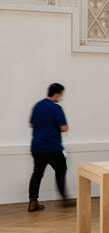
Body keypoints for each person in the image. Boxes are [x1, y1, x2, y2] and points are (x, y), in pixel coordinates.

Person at [28, 83, 70, 212]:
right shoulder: (56, 108)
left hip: (37, 146)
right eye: (61, 95)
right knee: (61, 170)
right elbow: (64, 128)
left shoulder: (37, 105)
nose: (60, 97)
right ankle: (64, 199)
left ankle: (33, 202)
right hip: (52, 146)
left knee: (37, 173)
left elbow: (31, 124)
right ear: (57, 94)